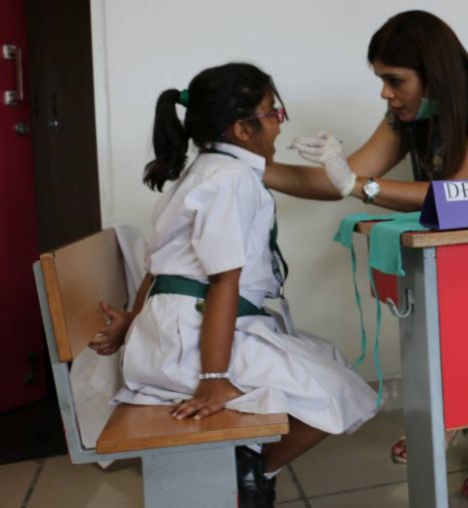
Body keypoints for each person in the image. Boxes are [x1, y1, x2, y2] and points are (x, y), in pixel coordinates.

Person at [266, 9, 468, 502]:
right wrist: (254, 167)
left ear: (433, 72)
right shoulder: (409, 113)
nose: (386, 93)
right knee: (444, 317)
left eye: (394, 80)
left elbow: (463, 190)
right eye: (382, 80)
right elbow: (345, 179)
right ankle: (458, 413)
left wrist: (355, 183)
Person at [88, 63, 378, 508]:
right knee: (338, 392)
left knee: (327, 360)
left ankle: (250, 465)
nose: (280, 121)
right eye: (272, 112)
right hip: (191, 348)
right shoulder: (232, 180)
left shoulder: (208, 168)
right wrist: (214, 378)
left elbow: (159, 265)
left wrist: (134, 319)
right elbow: (224, 281)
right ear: (243, 129)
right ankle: (247, 476)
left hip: (178, 332)